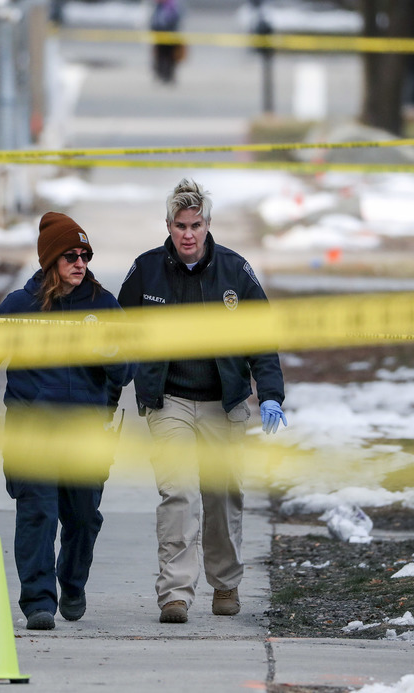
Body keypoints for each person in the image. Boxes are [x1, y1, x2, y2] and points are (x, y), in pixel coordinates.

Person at [118, 178, 288, 624]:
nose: (188, 234)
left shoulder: (235, 272)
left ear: (208, 225)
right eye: (180, 225)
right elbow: (117, 334)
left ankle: (226, 583)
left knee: (221, 495)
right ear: (169, 227)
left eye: (196, 224)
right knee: (178, 494)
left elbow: (262, 339)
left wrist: (270, 394)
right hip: (168, 399)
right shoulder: (146, 271)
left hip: (224, 402)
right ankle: (174, 592)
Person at [0, 211, 132, 631]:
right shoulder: (21, 305)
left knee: (82, 517)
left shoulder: (103, 305)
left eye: (85, 255)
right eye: (71, 255)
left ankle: (72, 583)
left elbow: (127, 369)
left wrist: (111, 351)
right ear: (50, 261)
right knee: (37, 513)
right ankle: (39, 600)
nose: (80, 263)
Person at [150, 0, 183, 84]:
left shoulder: (171, 6)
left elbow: (174, 19)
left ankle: (168, 75)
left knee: (169, 56)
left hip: (169, 34)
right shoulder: (159, 6)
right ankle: (161, 74)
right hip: (160, 34)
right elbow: (154, 20)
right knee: (160, 55)